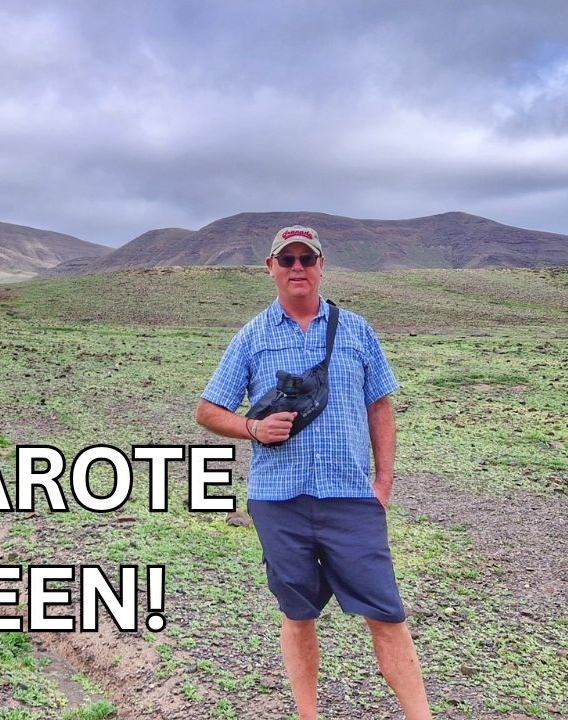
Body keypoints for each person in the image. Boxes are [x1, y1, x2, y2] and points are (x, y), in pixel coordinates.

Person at [195, 225, 432, 719]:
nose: (297, 267)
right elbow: (208, 411)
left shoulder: (357, 329)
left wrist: (383, 484)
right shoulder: (253, 336)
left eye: (307, 258)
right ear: (271, 269)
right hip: (279, 500)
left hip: (349, 496)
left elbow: (380, 409)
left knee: (386, 614)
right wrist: (253, 429)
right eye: (287, 260)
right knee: (297, 614)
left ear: (322, 265)